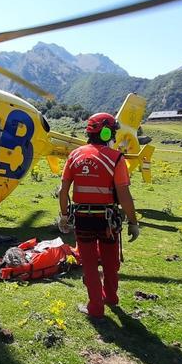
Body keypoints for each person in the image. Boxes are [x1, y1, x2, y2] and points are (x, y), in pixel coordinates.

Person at [57, 112, 140, 319]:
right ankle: (111, 298)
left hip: (83, 220)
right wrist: (133, 222)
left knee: (90, 264)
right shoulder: (116, 158)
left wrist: (65, 216)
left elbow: (63, 191)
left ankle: (95, 308)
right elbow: (124, 194)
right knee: (111, 262)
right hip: (108, 221)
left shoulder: (74, 155)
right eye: (112, 132)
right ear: (106, 133)